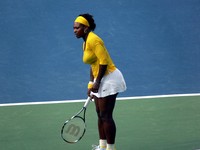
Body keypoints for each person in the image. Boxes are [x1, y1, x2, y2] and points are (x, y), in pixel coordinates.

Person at [73, 13, 126, 150]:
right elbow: (93, 64)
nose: (74, 30)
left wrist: (97, 83)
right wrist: (91, 83)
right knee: (99, 113)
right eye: (74, 28)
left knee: (106, 115)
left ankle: (111, 148)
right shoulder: (85, 42)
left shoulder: (94, 40)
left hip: (109, 78)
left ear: (85, 28)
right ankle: (102, 146)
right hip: (100, 78)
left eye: (77, 28)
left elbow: (103, 62)